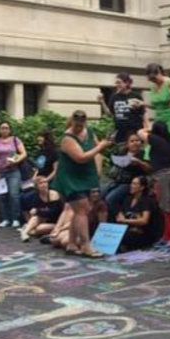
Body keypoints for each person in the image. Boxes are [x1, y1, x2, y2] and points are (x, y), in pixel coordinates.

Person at [53, 110, 112, 257]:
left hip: (86, 176)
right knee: (82, 209)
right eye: (76, 122)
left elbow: (97, 151)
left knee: (79, 210)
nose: (79, 126)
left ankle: (72, 243)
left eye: (81, 122)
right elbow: (81, 157)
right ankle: (86, 245)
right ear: (72, 121)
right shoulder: (68, 138)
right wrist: (101, 146)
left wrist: (98, 171)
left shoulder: (89, 132)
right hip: (70, 178)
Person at [138, 122, 170, 244]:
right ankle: (169, 236)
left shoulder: (156, 141)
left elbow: (140, 132)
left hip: (162, 178)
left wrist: (148, 128)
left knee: (167, 209)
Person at [0, 121, 27, 228]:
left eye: (6, 128)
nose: (4, 130)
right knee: (2, 196)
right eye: (2, 128)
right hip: (0, 172)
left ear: (10, 130)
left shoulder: (15, 140)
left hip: (13, 171)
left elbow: (24, 153)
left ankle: (16, 218)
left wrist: (16, 161)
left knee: (14, 195)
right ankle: (6, 218)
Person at [103, 133, 151, 219]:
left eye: (137, 141)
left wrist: (140, 163)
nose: (135, 143)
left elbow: (149, 169)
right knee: (100, 195)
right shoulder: (122, 152)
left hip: (129, 183)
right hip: (116, 181)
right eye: (132, 141)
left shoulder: (143, 154)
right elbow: (110, 156)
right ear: (127, 144)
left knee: (110, 199)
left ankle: (120, 217)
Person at [116, 176, 163, 251]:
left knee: (122, 236)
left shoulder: (147, 201)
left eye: (135, 184)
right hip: (131, 229)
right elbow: (120, 213)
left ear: (142, 187)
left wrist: (124, 220)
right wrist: (122, 217)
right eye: (131, 183)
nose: (131, 186)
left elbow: (144, 221)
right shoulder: (128, 199)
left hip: (144, 233)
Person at [146, 63, 170, 147]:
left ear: (159, 73)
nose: (154, 81)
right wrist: (142, 104)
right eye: (151, 80)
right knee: (157, 142)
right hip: (159, 117)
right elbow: (155, 106)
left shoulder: (169, 82)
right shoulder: (153, 86)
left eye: (154, 78)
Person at [98, 73, 145, 143]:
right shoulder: (114, 97)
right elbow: (109, 114)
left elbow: (143, 114)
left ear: (127, 83)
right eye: (116, 83)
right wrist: (102, 102)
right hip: (120, 132)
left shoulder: (136, 96)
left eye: (119, 82)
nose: (117, 85)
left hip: (134, 132)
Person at [19, 177, 64, 242]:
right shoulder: (35, 197)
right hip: (45, 219)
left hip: (57, 220)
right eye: (41, 183)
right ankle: (24, 233)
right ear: (36, 186)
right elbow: (33, 212)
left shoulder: (53, 194)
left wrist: (38, 211)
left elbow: (54, 212)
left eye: (45, 182)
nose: (44, 184)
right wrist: (37, 212)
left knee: (39, 228)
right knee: (35, 218)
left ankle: (28, 230)